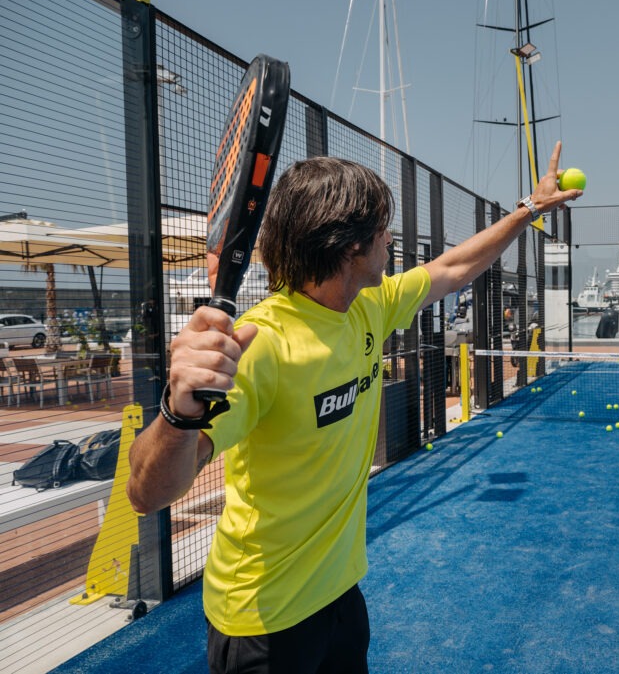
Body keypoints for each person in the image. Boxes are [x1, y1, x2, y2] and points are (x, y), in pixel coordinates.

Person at [126, 142, 582, 673]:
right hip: (263, 619)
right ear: (351, 248)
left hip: (340, 596)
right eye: (383, 228)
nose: (390, 238)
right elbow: (146, 494)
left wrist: (530, 209)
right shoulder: (264, 344)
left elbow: (456, 267)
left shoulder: (369, 305)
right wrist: (178, 412)